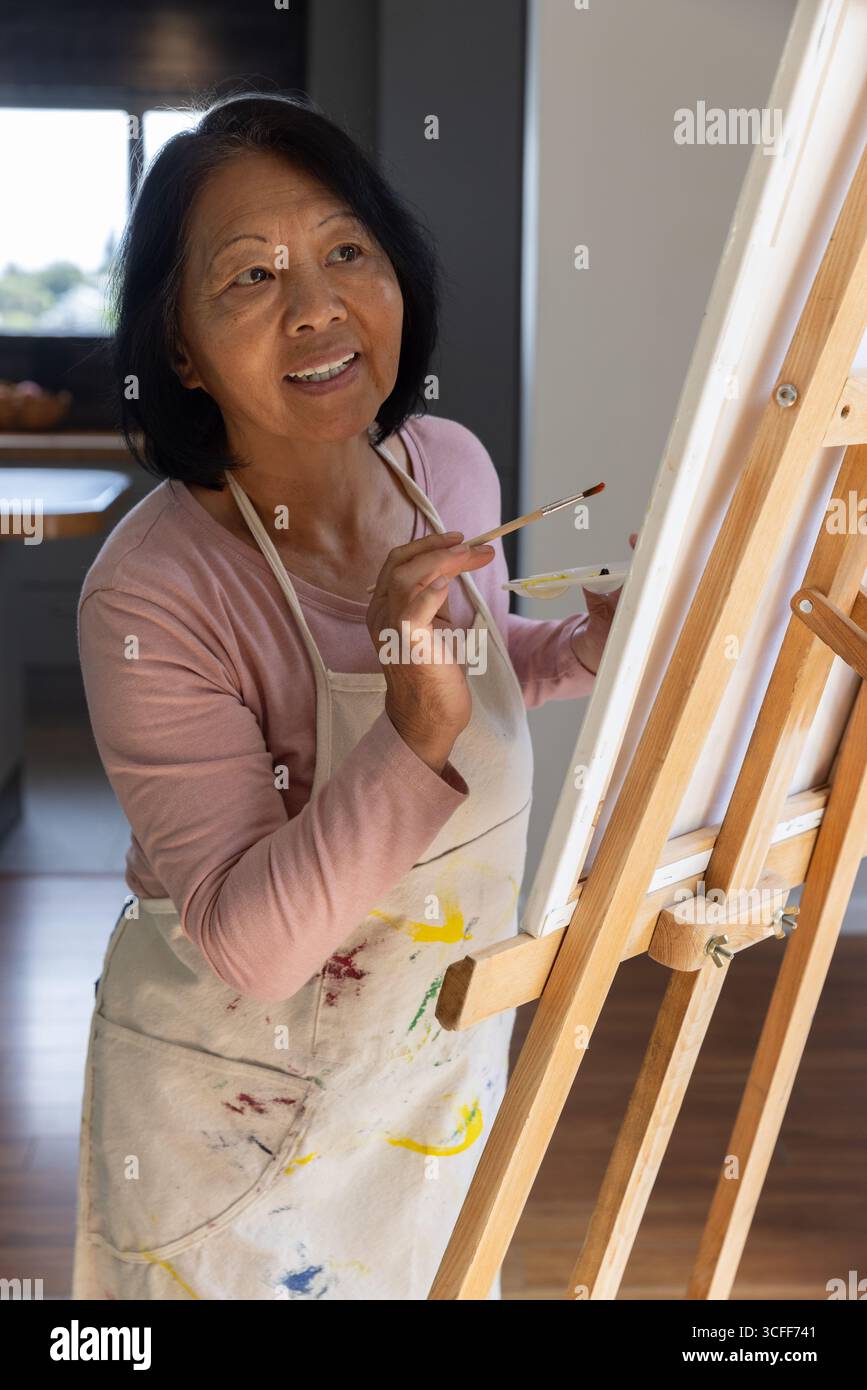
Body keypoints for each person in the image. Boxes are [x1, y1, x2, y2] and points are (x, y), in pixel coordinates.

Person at [71, 92, 633, 1301]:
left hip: (428, 1077)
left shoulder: (449, 468)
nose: (316, 305)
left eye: (344, 252)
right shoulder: (153, 593)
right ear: (178, 348)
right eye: (251, 276)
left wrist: (571, 654)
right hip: (225, 1124)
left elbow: (469, 660)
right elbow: (250, 945)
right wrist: (411, 733)